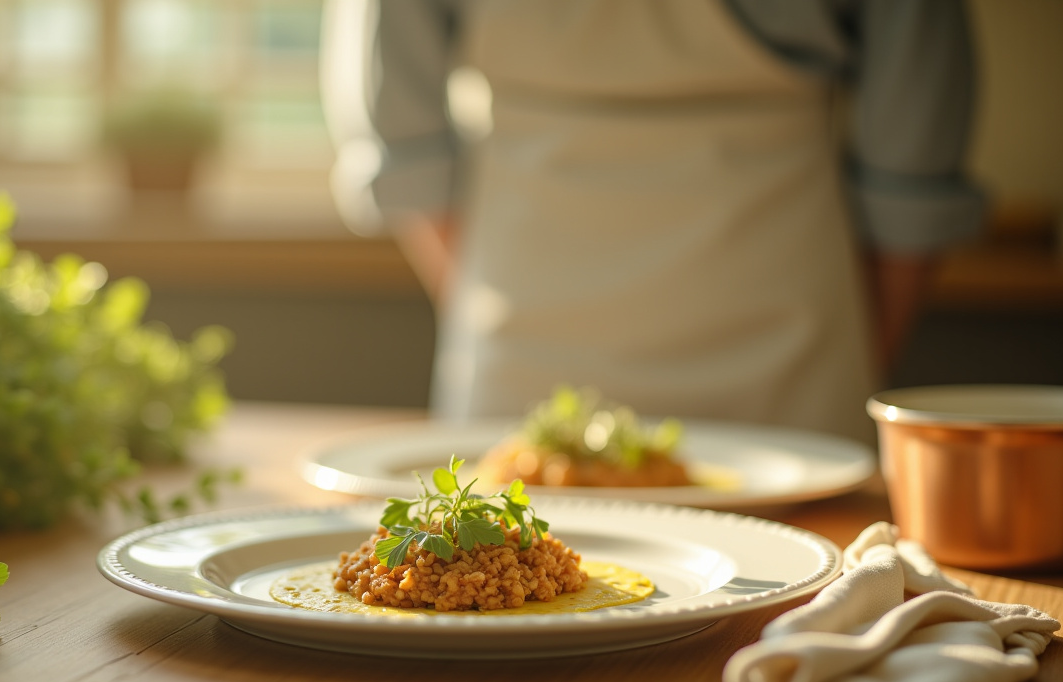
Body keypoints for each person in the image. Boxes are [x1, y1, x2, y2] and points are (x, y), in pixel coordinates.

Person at [320, 0, 984, 443]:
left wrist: (857, 358)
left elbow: (917, 153)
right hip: (523, 341)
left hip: (789, 349)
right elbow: (917, 149)